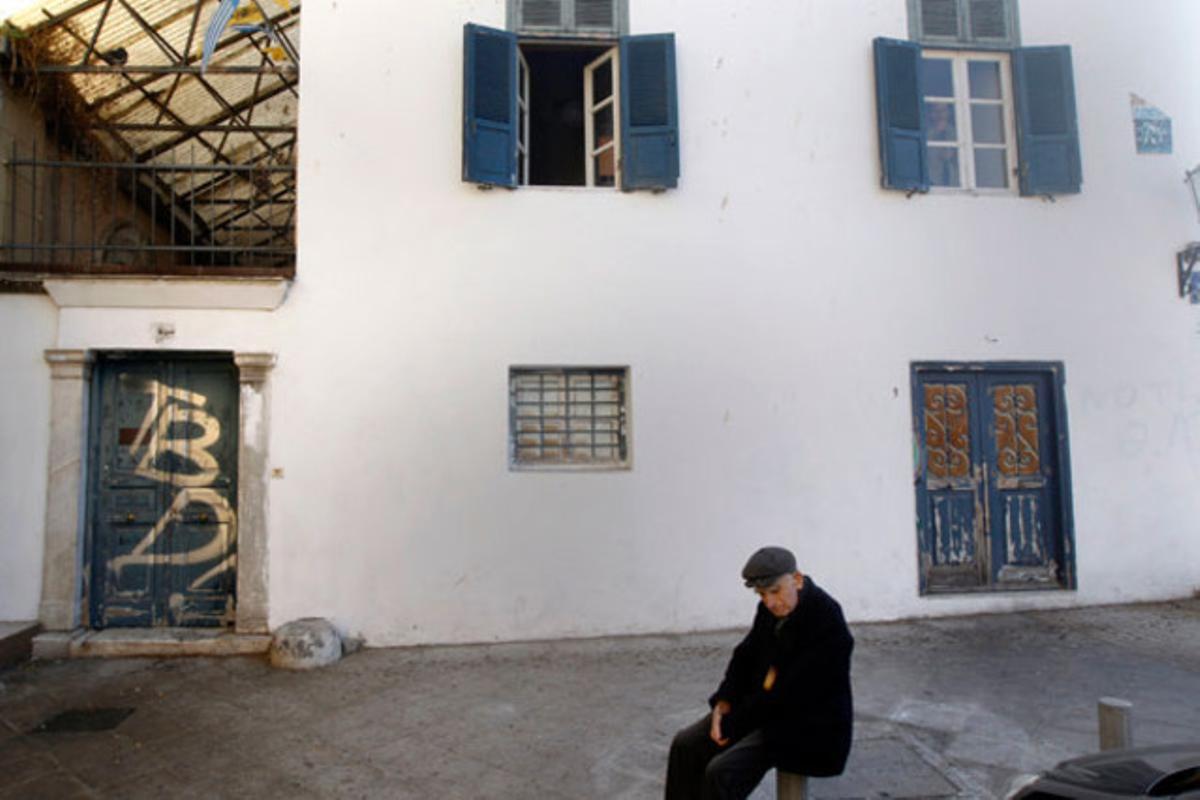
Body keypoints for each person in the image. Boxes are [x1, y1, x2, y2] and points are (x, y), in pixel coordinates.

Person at [664, 546, 854, 800]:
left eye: (775, 591)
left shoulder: (827, 620)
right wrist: (724, 701)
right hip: (767, 710)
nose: (769, 602)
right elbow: (745, 656)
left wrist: (732, 722)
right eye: (762, 594)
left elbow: (790, 694)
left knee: (722, 773)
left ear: (797, 580)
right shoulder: (770, 609)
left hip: (806, 726)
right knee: (686, 745)